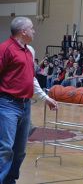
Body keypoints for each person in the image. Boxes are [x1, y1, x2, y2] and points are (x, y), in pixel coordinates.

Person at [0, 17, 58, 183]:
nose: (34, 31)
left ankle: (10, 180)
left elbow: (31, 78)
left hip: (25, 106)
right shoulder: (5, 49)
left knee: (19, 151)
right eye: (31, 28)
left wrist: (45, 98)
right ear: (23, 31)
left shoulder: (30, 51)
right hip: (7, 105)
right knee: (5, 149)